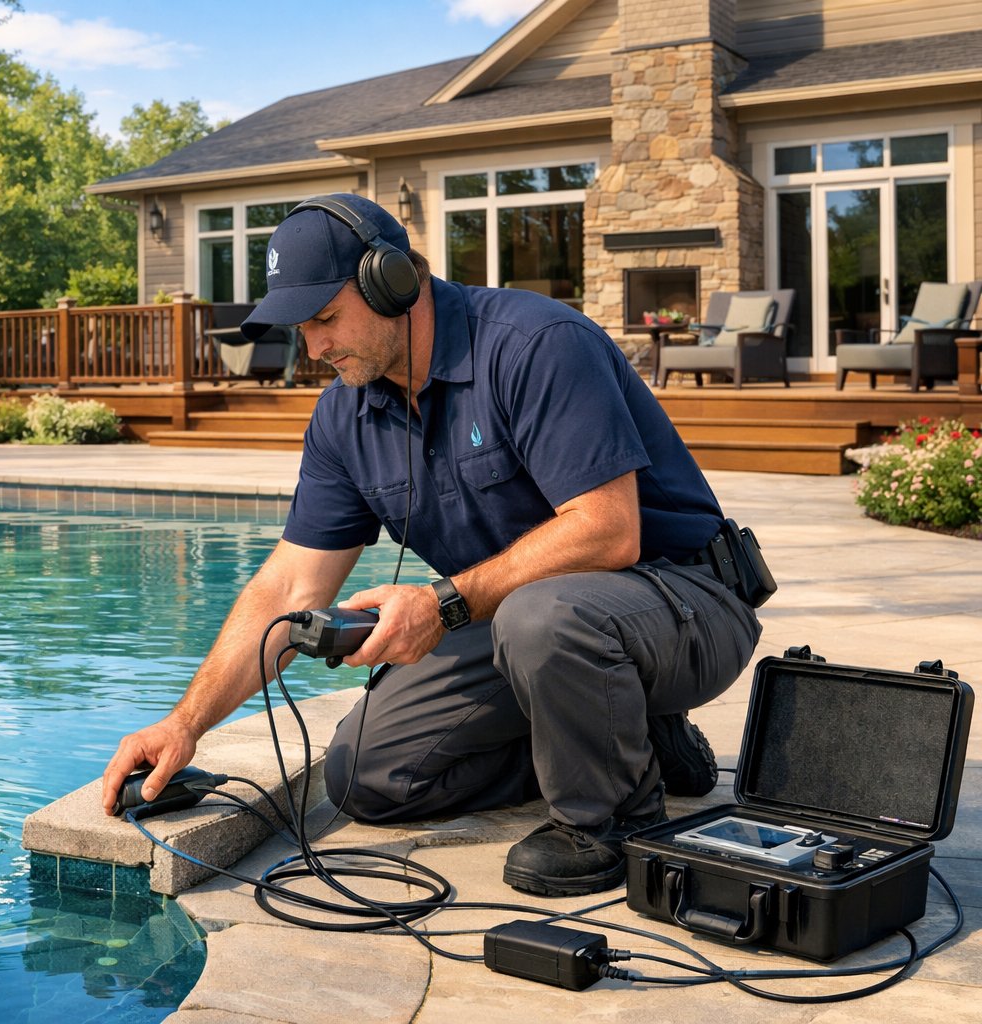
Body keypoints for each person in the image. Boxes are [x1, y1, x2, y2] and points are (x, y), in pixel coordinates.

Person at [100, 192, 762, 897]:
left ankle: (611, 823)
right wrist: (184, 723)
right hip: (526, 628)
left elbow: (608, 528)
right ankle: (638, 739)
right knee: (369, 775)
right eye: (302, 328)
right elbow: (289, 587)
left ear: (397, 281)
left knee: (544, 616)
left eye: (325, 318)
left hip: (684, 603)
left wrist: (442, 605)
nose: (314, 348)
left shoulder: (534, 343)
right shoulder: (344, 415)